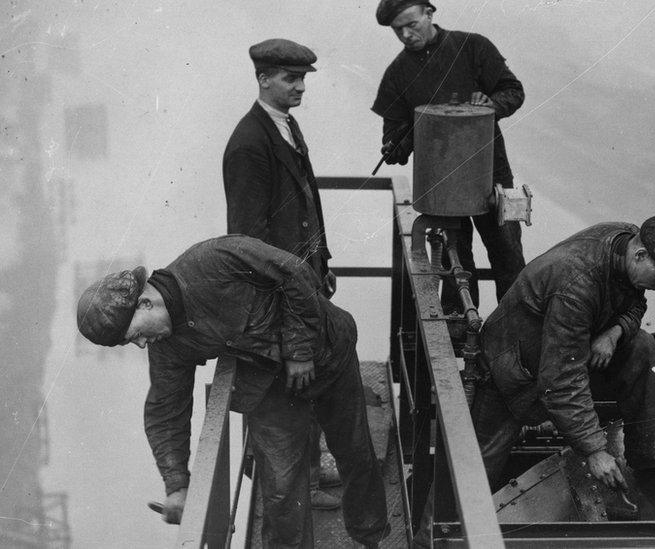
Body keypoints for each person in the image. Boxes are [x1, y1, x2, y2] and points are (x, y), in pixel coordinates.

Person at [75, 236, 387, 548]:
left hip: (327, 350)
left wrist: (300, 350)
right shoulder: (166, 346)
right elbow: (166, 409)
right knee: (281, 489)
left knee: (355, 452)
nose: (143, 344)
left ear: (145, 302)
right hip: (269, 384)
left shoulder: (213, 259)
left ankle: (370, 536)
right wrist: (176, 484)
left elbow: (295, 271)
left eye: (137, 335)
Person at [472, 216, 655, 492]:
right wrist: (595, 450)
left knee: (640, 346)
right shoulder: (576, 286)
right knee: (474, 475)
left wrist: (615, 332)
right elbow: (561, 380)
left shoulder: (627, 243)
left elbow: (635, 305)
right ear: (640, 254)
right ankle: (435, 532)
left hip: (559, 350)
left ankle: (648, 448)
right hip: (511, 373)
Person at [222, 38, 338, 510]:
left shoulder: (285, 126)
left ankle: (309, 472)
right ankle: (300, 489)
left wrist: (322, 259)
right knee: (290, 386)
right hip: (280, 293)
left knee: (306, 380)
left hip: (303, 278)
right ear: (263, 78)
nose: (300, 87)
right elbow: (250, 243)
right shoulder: (250, 143)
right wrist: (289, 319)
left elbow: (307, 201)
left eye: (304, 79)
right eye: (290, 78)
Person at [371, 0, 526, 312]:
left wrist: (491, 105)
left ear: (429, 13)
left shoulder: (473, 47)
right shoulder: (397, 74)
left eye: (411, 24)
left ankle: (515, 334)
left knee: (509, 257)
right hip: (440, 186)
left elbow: (513, 91)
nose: (405, 35)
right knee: (454, 262)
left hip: (491, 177)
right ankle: (459, 337)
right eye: (397, 30)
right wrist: (395, 148)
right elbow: (395, 138)